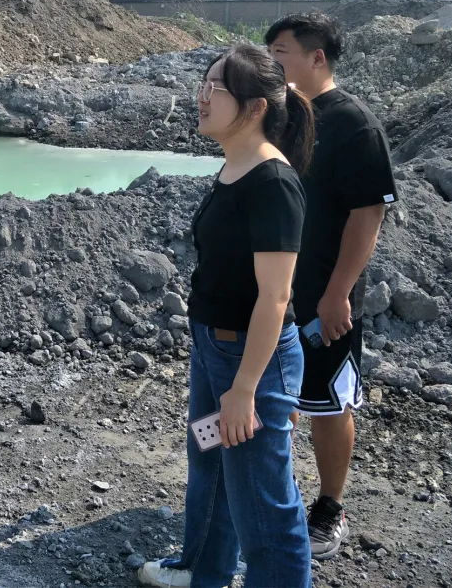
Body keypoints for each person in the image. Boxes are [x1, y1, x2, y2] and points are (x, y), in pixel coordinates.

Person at [138, 44, 315, 588]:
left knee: (264, 503)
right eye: (204, 84)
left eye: (215, 88)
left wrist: (244, 389)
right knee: (210, 467)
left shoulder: (273, 183)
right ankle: (202, 571)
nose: (202, 96)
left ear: (256, 107)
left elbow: (275, 297)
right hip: (214, 348)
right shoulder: (235, 166)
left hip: (252, 362)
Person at [265, 12, 397, 560]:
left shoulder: (355, 125)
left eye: (281, 53)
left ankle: (329, 506)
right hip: (274, 290)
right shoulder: (281, 117)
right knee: (273, 395)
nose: (272, 62)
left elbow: (368, 215)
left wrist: (338, 293)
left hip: (324, 294)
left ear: (317, 57)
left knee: (326, 403)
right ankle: (272, 495)